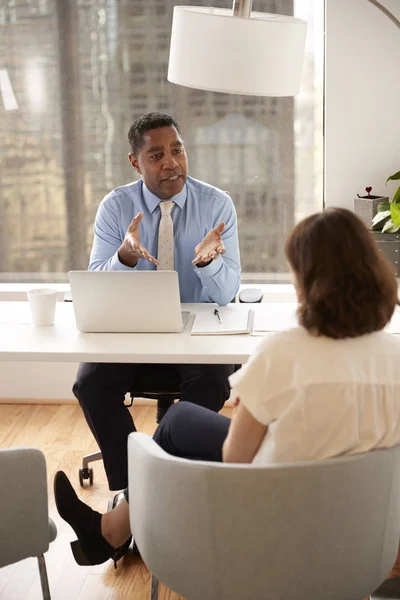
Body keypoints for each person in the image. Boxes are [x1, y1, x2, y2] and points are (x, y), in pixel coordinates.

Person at [56, 207, 400, 569]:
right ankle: (115, 527)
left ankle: (114, 528)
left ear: (306, 280)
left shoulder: (283, 353)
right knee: (183, 418)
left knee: (177, 425)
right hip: (366, 539)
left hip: (274, 527)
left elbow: (235, 462)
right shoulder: (394, 354)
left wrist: (253, 408)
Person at [73, 112, 241, 492]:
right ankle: (135, 485)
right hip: (133, 332)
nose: (171, 163)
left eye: (177, 151)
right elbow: (97, 283)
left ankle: (149, 491)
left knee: (215, 380)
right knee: (90, 383)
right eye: (157, 155)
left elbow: (228, 294)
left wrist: (208, 263)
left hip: (195, 336)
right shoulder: (116, 207)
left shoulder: (216, 205)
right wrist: (124, 259)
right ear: (135, 162)